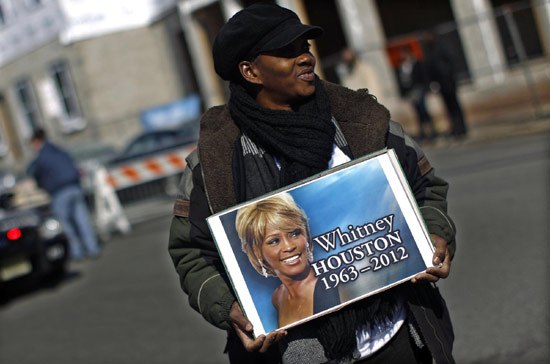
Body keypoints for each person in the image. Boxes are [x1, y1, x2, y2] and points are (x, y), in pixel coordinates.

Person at [168, 3, 456, 364]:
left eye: (304, 47)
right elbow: (191, 254)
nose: (305, 58)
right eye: (287, 51)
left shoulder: (360, 121)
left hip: (398, 335)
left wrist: (434, 234)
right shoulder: (215, 160)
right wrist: (228, 307)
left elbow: (426, 188)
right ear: (250, 71)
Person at [235, 192, 340, 328]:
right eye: (274, 241)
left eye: (295, 234)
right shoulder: (278, 297)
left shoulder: (336, 283)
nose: (289, 246)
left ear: (306, 235)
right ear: (257, 252)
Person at [28, 129, 100, 260]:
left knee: (66, 225)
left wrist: (43, 186)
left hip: (60, 192)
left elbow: (37, 175)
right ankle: (92, 247)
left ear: (36, 142)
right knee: (83, 220)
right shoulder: (59, 150)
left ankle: (77, 252)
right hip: (74, 187)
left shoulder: (41, 157)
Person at [423, 30, 468, 138]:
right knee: (448, 107)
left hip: (449, 82)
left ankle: (461, 128)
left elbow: (450, 62)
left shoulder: (442, 46)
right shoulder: (429, 49)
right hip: (441, 83)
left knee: (455, 106)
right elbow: (430, 67)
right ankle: (455, 127)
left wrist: (451, 77)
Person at [397, 47, 437, 141]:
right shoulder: (402, 66)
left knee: (423, 109)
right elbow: (403, 81)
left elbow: (422, 76)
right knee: (417, 112)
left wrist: (426, 87)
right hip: (410, 91)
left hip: (419, 89)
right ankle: (423, 131)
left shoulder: (416, 63)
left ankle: (431, 129)